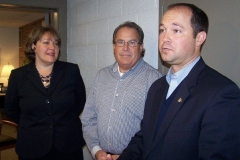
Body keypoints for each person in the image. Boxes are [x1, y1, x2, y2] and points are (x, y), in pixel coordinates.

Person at [116, 3, 240, 160]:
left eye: (176, 30)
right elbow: (144, 138)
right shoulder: (157, 87)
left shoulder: (221, 93)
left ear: (199, 38)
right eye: (162, 30)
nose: (165, 38)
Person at [80, 21, 162, 160]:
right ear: (114, 47)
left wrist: (128, 156)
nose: (125, 48)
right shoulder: (102, 76)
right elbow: (89, 118)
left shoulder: (155, 80)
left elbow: (155, 129)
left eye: (132, 42)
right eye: (120, 42)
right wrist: (96, 150)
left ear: (141, 47)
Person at [5, 25, 86, 160]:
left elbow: (79, 102)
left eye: (56, 43)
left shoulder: (71, 71)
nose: (52, 47)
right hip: (32, 146)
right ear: (33, 46)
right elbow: (11, 109)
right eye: (46, 42)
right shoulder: (18, 76)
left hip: (68, 145)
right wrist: (33, 123)